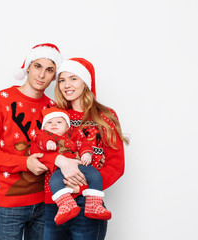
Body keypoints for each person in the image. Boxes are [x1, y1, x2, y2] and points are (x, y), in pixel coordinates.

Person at [0, 43, 63, 240]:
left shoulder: (54, 110)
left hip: (46, 202)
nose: (42, 75)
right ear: (27, 67)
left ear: (54, 76)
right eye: (37, 66)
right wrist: (25, 163)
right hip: (9, 204)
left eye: (49, 70)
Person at [43, 58, 129, 240]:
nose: (66, 85)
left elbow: (116, 164)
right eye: (62, 80)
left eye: (73, 78)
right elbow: (40, 150)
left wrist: (81, 187)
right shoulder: (55, 115)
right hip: (55, 202)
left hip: (88, 202)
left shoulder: (104, 116)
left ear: (85, 82)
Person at [30, 107, 111, 226]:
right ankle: (66, 205)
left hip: (79, 164)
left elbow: (84, 144)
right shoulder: (43, 135)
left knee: (95, 175)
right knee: (55, 182)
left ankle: (94, 204)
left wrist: (86, 154)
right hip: (59, 170)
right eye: (49, 122)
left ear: (67, 126)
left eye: (59, 122)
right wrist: (48, 142)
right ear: (44, 126)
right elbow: (39, 142)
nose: (54, 125)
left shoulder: (74, 134)